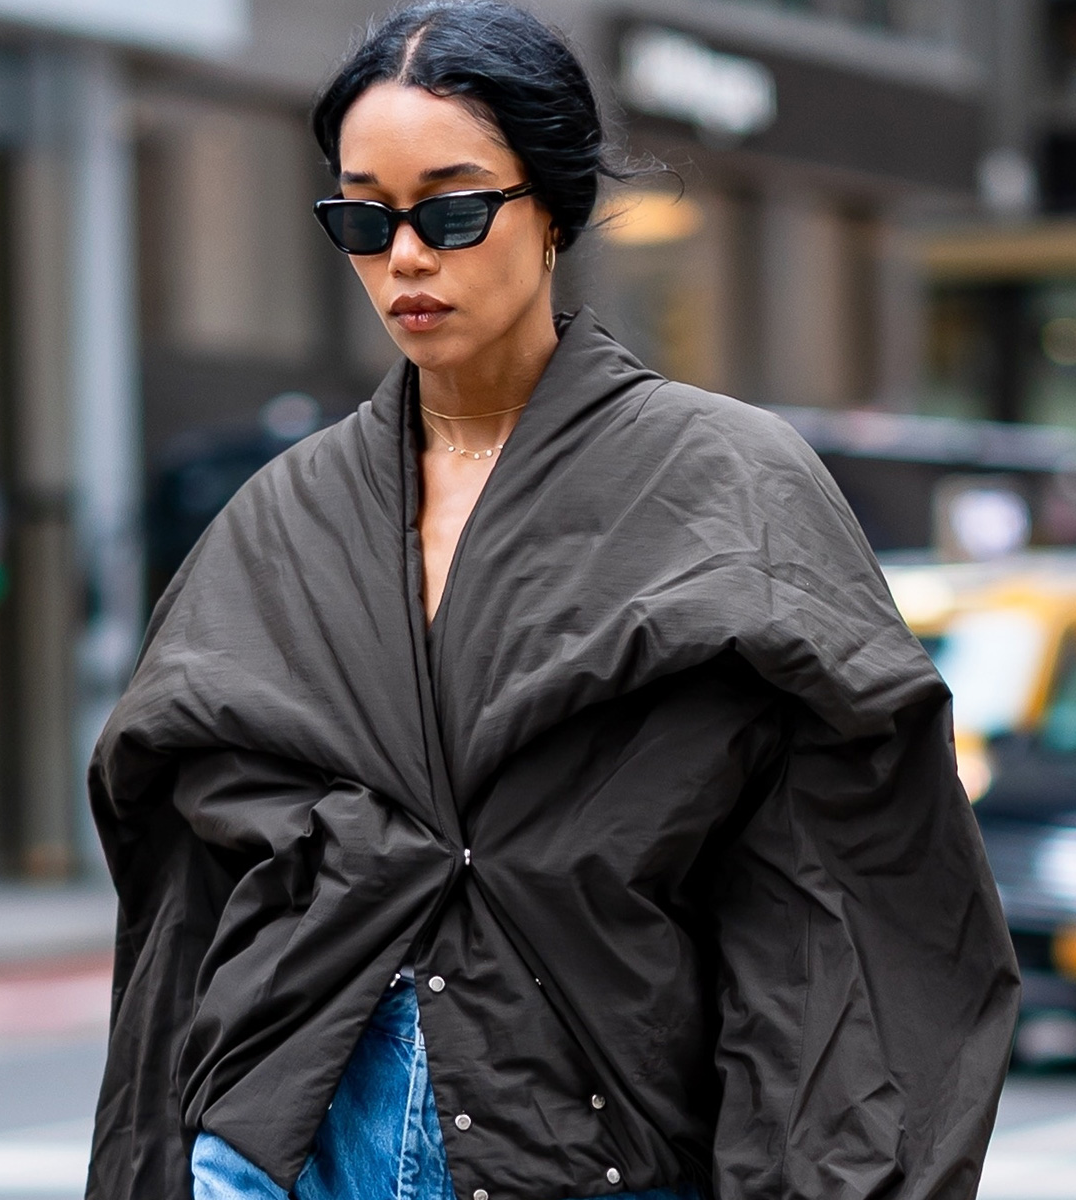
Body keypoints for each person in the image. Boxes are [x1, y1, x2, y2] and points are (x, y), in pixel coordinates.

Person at [84, 4, 1020, 1200]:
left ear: (554, 211)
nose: (405, 257)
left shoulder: (727, 485)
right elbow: (180, 884)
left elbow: (852, 883)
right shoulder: (279, 519)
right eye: (364, 217)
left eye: (453, 209)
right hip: (284, 1152)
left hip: (597, 1142)